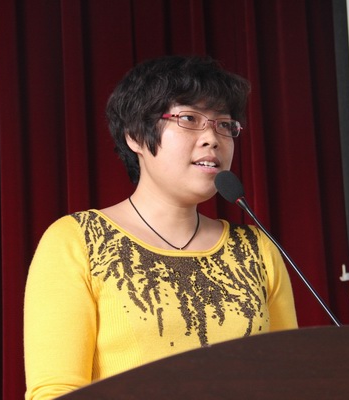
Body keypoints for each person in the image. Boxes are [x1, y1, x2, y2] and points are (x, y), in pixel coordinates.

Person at [23, 55, 298, 399]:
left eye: (224, 124)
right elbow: (56, 391)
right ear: (135, 136)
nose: (212, 138)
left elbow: (290, 382)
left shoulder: (256, 248)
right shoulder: (78, 240)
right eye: (189, 118)